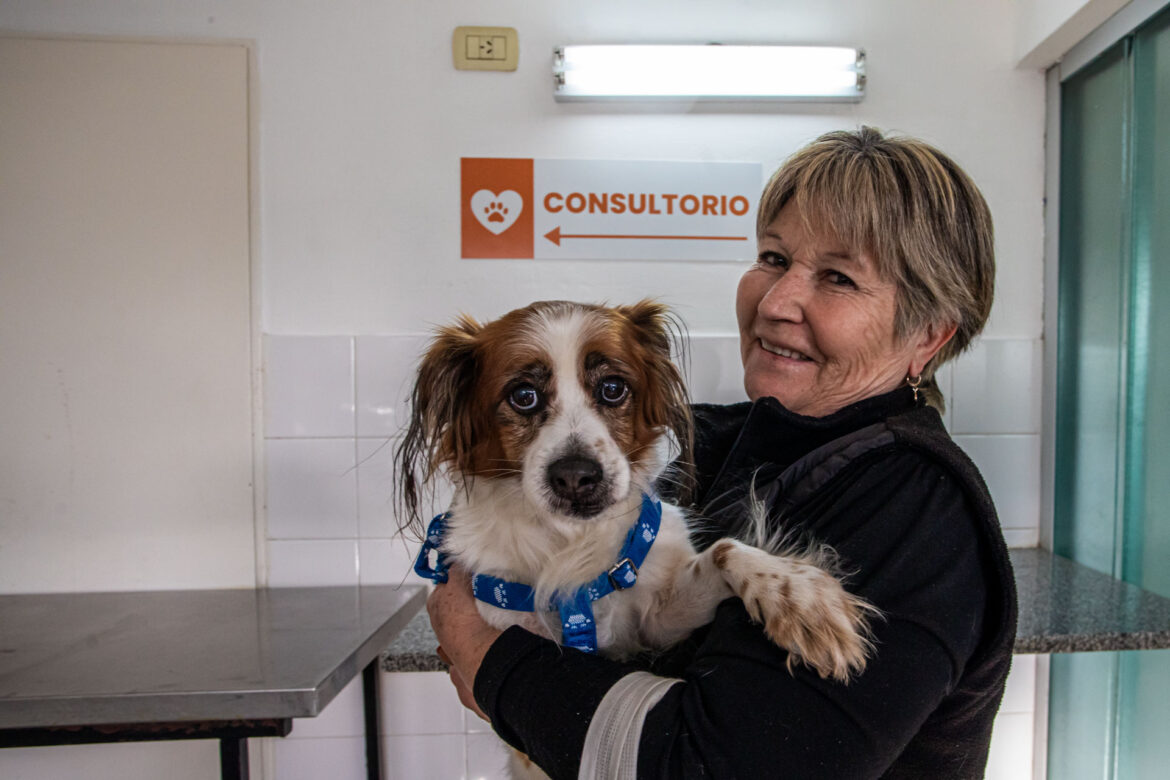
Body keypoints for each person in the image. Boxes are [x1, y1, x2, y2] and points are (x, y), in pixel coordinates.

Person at [426, 127, 1018, 779]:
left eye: (838, 277)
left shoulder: (917, 507)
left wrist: (488, 662)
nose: (775, 301)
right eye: (772, 257)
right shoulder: (719, 443)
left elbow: (711, 766)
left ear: (928, 335)